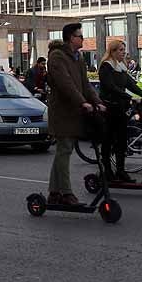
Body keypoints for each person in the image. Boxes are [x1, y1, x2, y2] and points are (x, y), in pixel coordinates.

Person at [47, 23, 105, 206]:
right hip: (62, 111)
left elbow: (85, 83)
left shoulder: (78, 57)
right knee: (64, 150)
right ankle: (65, 193)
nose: (83, 39)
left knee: (64, 151)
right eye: (80, 36)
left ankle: (54, 192)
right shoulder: (57, 57)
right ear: (71, 38)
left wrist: (97, 101)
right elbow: (66, 84)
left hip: (75, 111)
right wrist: (83, 102)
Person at [98, 40, 142, 182]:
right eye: (121, 50)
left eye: (124, 50)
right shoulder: (106, 66)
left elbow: (131, 84)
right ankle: (107, 171)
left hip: (120, 108)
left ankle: (120, 170)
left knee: (121, 141)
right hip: (109, 108)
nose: (123, 52)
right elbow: (110, 87)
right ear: (113, 51)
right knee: (108, 140)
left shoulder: (121, 66)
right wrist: (130, 97)